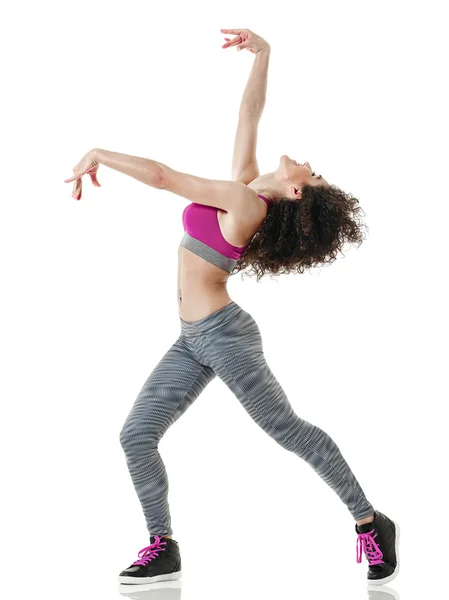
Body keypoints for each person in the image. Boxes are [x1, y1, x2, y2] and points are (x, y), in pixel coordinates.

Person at [64, 28, 399, 588]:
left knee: (286, 429)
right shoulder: (247, 184)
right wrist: (264, 54)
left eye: (311, 176)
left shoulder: (244, 203)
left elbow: (167, 177)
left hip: (223, 335)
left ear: (297, 194)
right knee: (136, 435)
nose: (310, 166)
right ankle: (162, 545)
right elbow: (249, 117)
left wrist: (100, 152)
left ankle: (370, 519)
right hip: (191, 336)